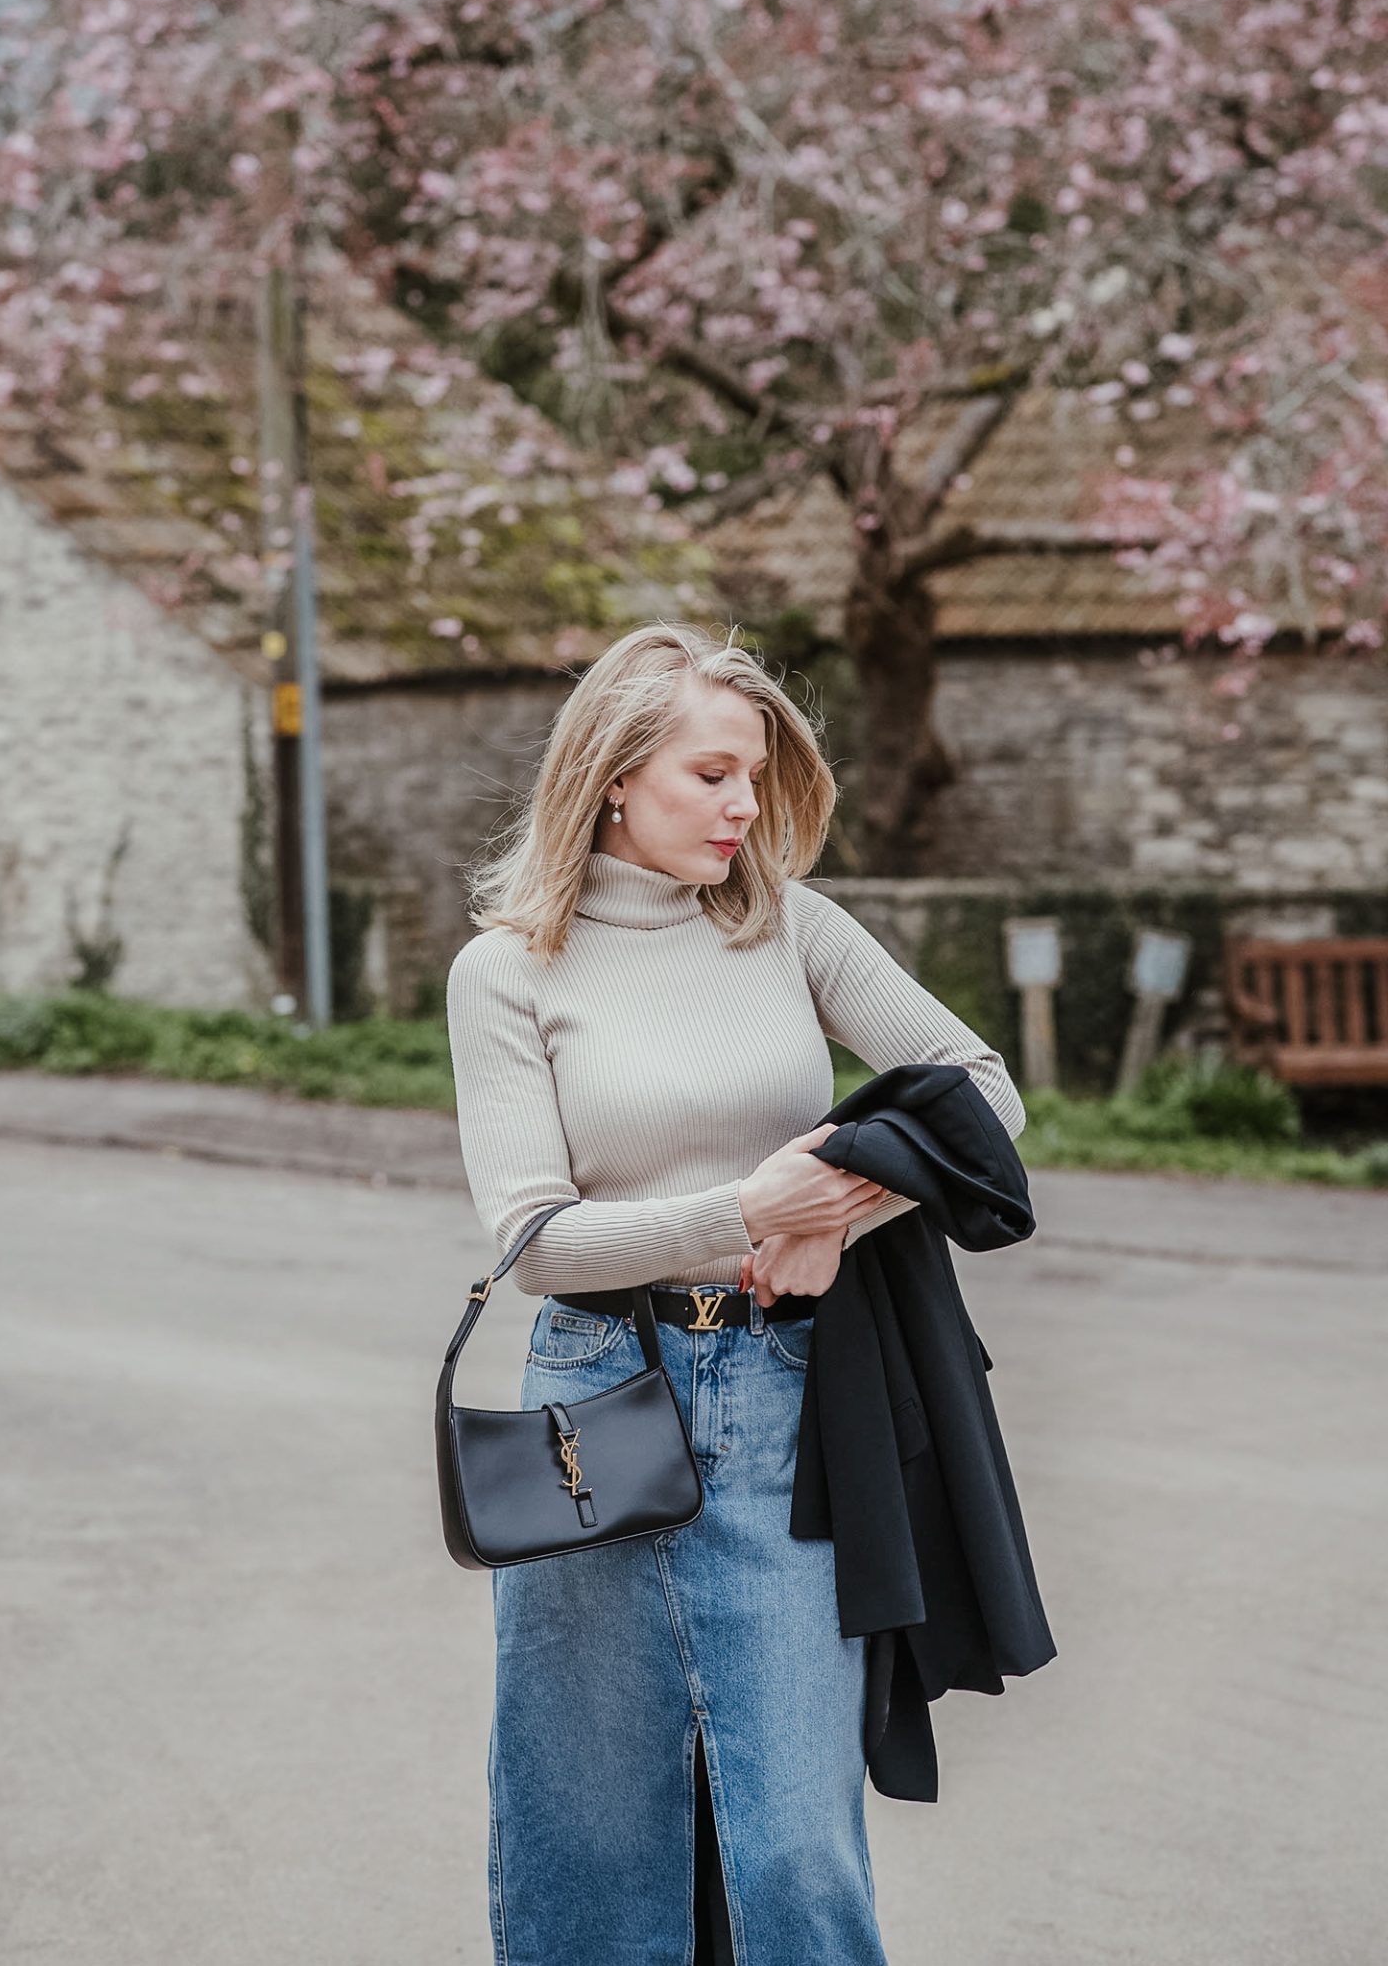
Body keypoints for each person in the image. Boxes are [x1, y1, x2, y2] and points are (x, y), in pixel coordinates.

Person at [445, 620, 1027, 1966]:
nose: (743, 805)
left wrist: (844, 1202)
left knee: (796, 1839)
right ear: (611, 774)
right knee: (588, 1828)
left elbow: (983, 1091)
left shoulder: (790, 930)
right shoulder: (507, 970)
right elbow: (537, 1240)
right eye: (712, 773)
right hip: (595, 1396)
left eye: (754, 775)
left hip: (786, 1395)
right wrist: (747, 1210)